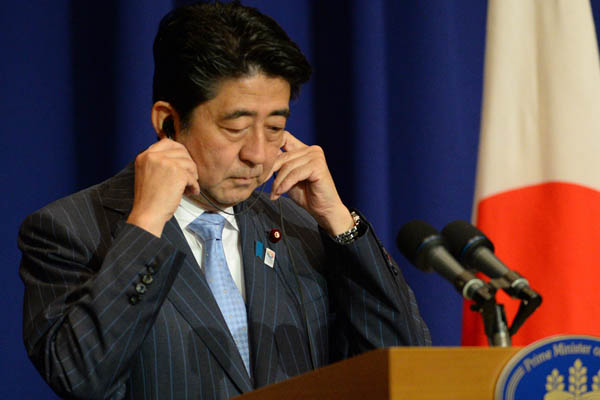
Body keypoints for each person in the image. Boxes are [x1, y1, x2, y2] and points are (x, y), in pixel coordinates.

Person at [18, 2, 431, 399]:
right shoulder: (70, 230)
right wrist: (145, 223)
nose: (257, 153)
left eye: (275, 127)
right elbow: (80, 378)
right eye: (236, 127)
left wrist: (341, 224)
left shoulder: (302, 228)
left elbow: (408, 365)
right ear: (168, 121)